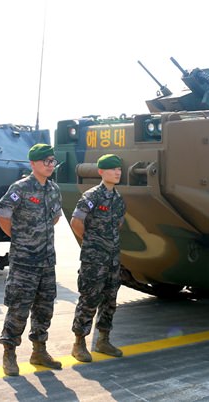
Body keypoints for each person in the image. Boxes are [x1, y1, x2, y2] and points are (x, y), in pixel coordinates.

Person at [0, 143, 63, 376]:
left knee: (45, 307)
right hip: (25, 261)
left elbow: (55, 217)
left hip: (47, 260)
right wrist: (20, 238)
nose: (50, 165)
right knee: (19, 307)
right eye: (46, 161)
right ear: (33, 164)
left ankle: (39, 351)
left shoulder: (53, 189)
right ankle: (9, 353)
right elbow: (3, 215)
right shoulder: (20, 188)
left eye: (52, 161)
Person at [70, 154, 126, 362]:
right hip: (94, 260)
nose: (117, 172)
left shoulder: (118, 199)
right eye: (112, 169)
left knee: (110, 300)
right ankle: (79, 343)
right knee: (89, 299)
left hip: (112, 259)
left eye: (119, 169)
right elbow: (76, 222)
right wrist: (92, 243)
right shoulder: (92, 196)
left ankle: (103, 340)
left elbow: (118, 224)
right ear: (101, 172)